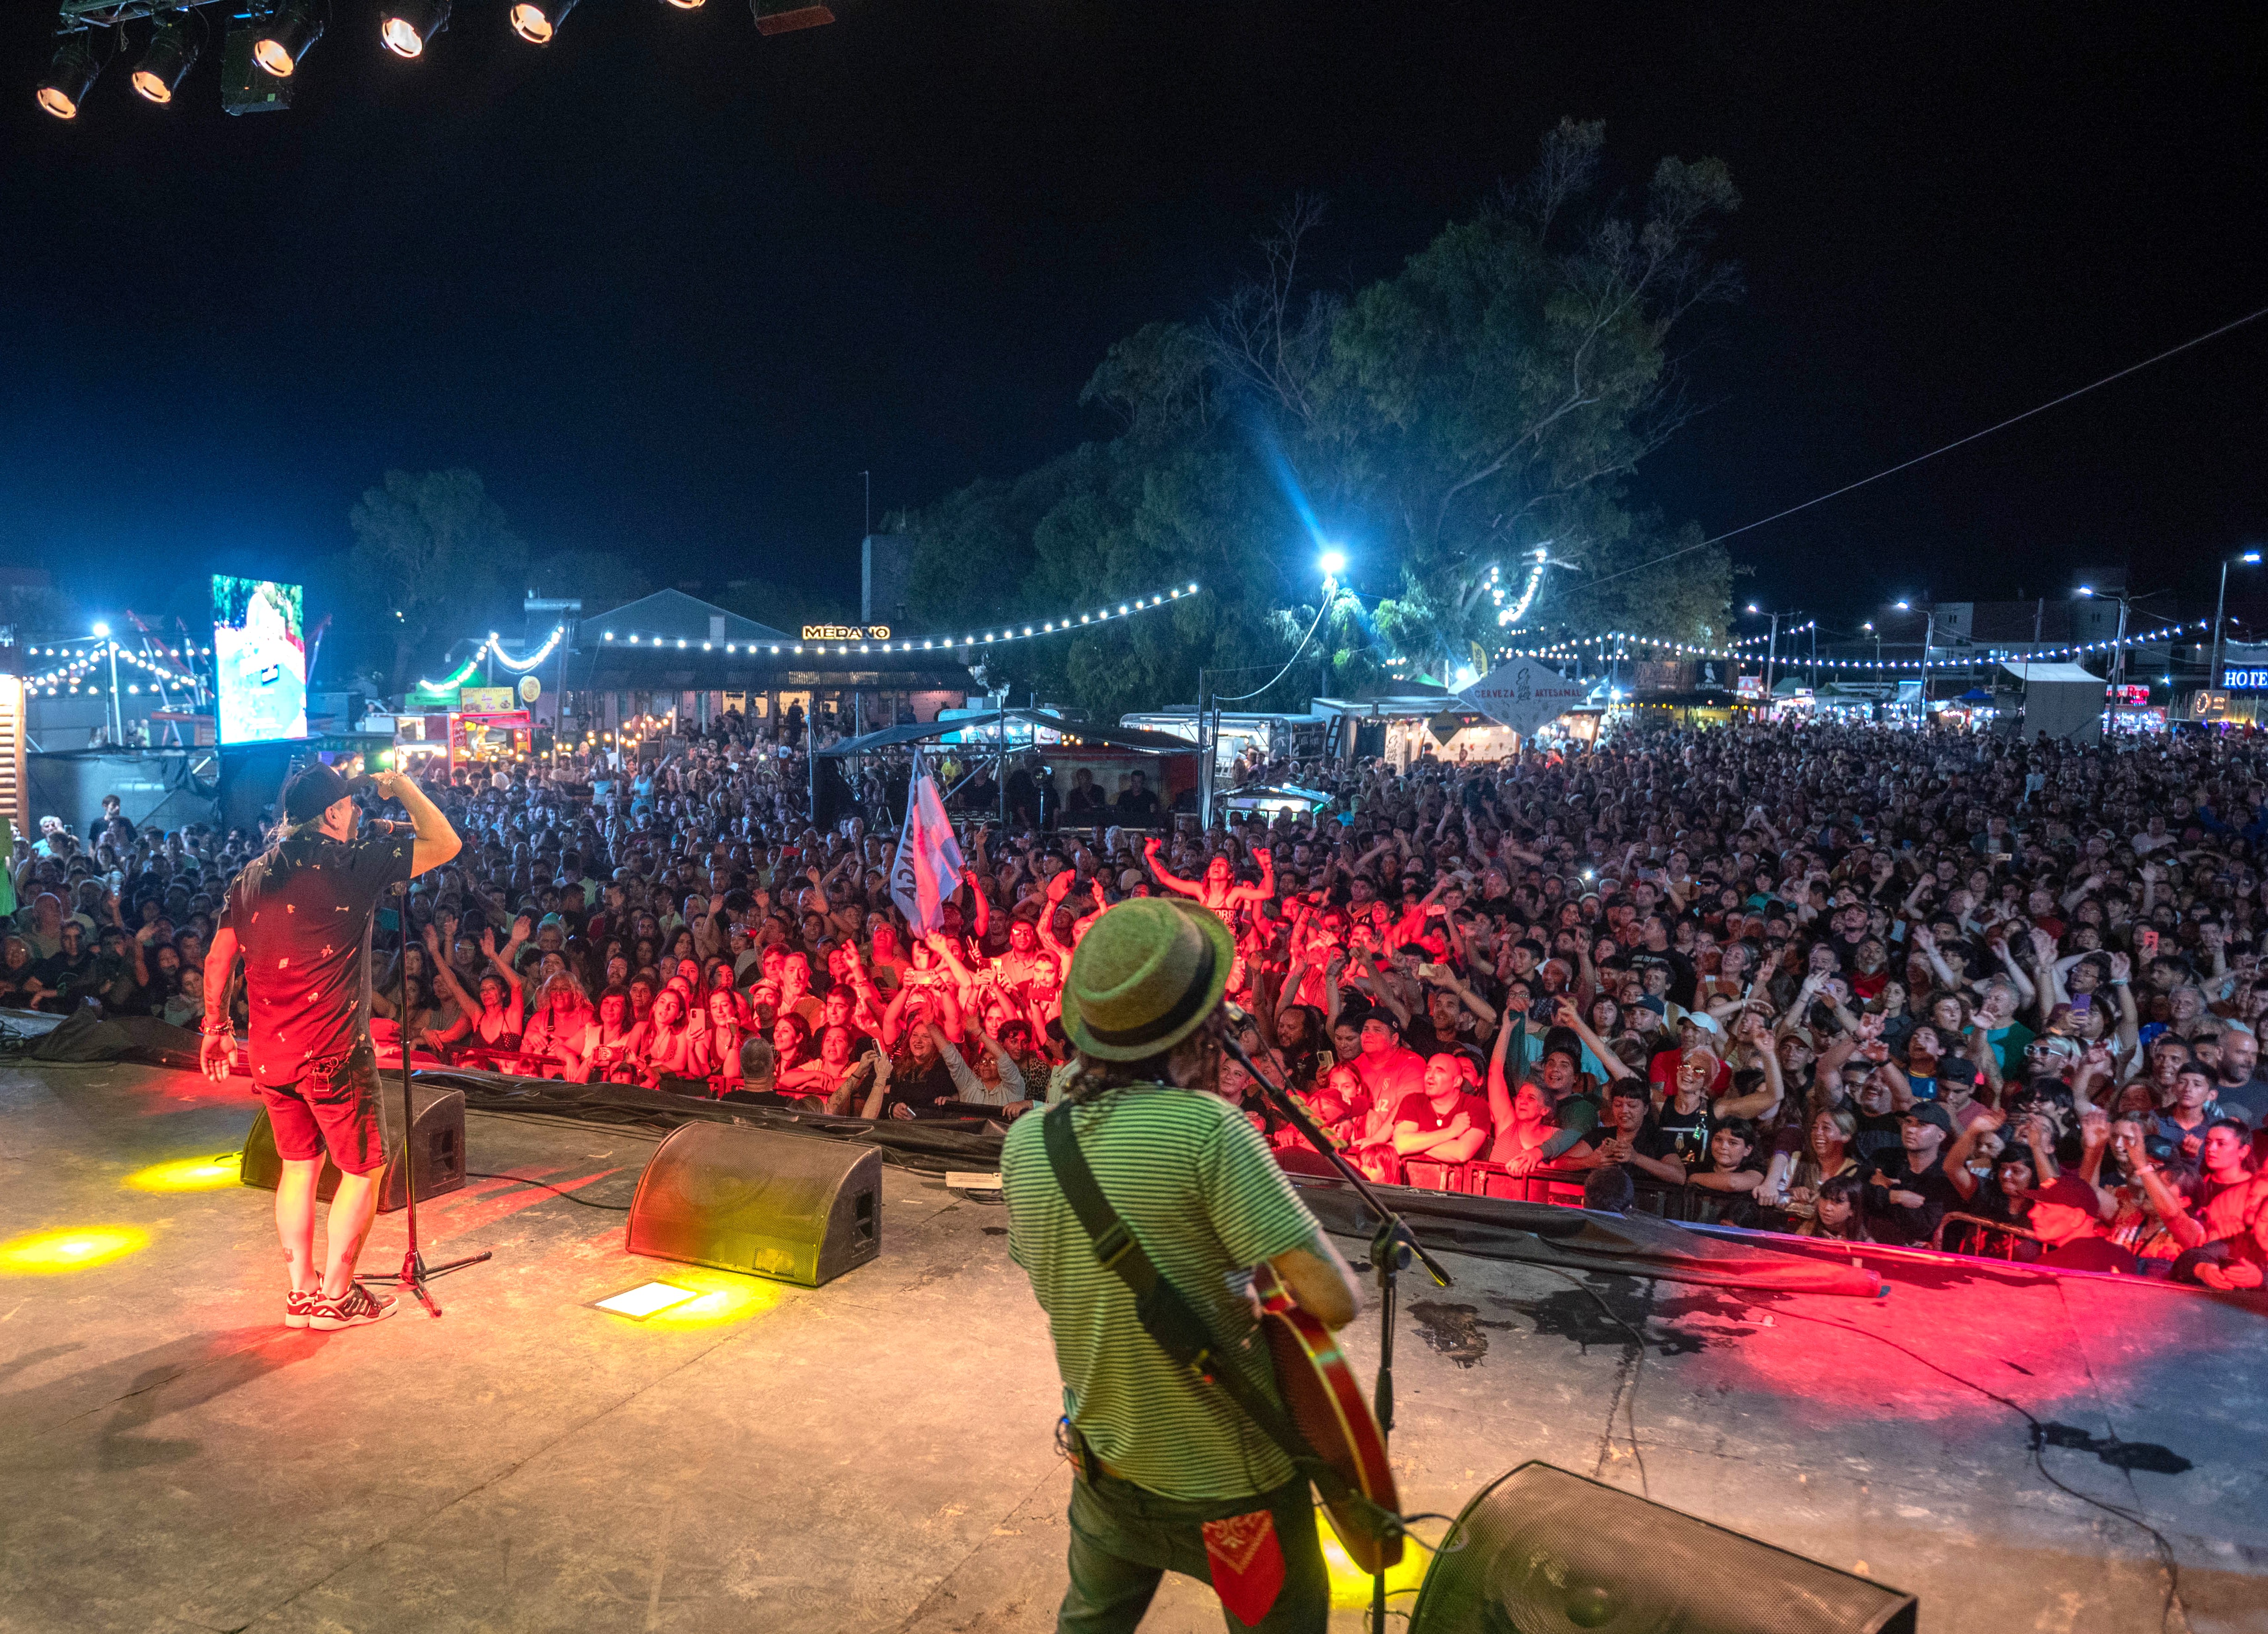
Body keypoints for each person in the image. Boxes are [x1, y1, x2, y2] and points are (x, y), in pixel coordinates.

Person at [1000, 897, 1360, 1634]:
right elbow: (1334, 1300)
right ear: (1202, 1030)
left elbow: (1056, 1288)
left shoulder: (1028, 1142)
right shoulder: (1211, 1131)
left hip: (1108, 1467)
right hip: (1234, 1491)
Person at [199, 764, 460, 1331]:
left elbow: (219, 959)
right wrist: (404, 788)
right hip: (334, 1050)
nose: (359, 813)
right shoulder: (350, 862)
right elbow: (446, 842)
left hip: (269, 1052)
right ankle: (337, 1297)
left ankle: (302, 1294)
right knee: (363, 1171)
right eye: (352, 805)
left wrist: (215, 1026)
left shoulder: (250, 875)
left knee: (298, 1167)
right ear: (334, 812)